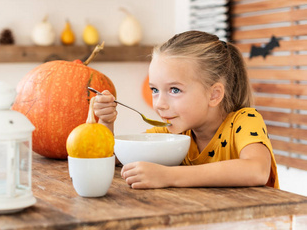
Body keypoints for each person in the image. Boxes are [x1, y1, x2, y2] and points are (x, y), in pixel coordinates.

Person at [93, 31, 279, 189]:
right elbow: (113, 157)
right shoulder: (171, 133)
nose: (159, 104)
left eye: (175, 90)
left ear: (214, 95)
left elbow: (257, 170)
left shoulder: (245, 121)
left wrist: (168, 176)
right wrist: (106, 122)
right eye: (155, 90)